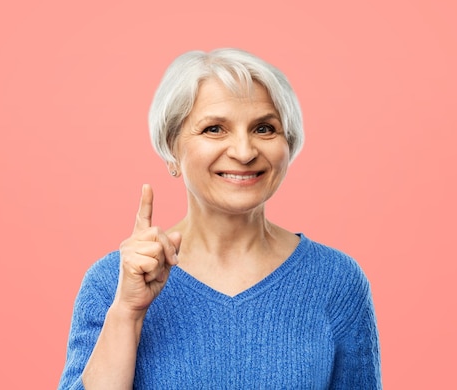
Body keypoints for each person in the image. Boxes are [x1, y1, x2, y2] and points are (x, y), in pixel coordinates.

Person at [58, 48, 381, 389]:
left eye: (264, 128)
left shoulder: (337, 281)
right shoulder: (114, 283)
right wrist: (127, 313)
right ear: (172, 148)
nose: (244, 152)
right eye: (214, 129)